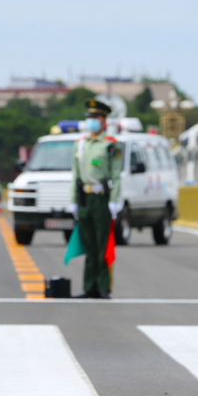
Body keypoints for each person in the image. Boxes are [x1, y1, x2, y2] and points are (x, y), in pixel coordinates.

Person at [69, 99, 122, 299]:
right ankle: (89, 286)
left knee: (103, 244)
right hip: (84, 198)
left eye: (95, 117)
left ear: (104, 120)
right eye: (89, 117)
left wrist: (114, 200)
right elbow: (74, 175)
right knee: (89, 244)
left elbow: (116, 175)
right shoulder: (79, 145)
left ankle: (103, 287)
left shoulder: (111, 145)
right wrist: (73, 200)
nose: (91, 121)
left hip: (102, 198)